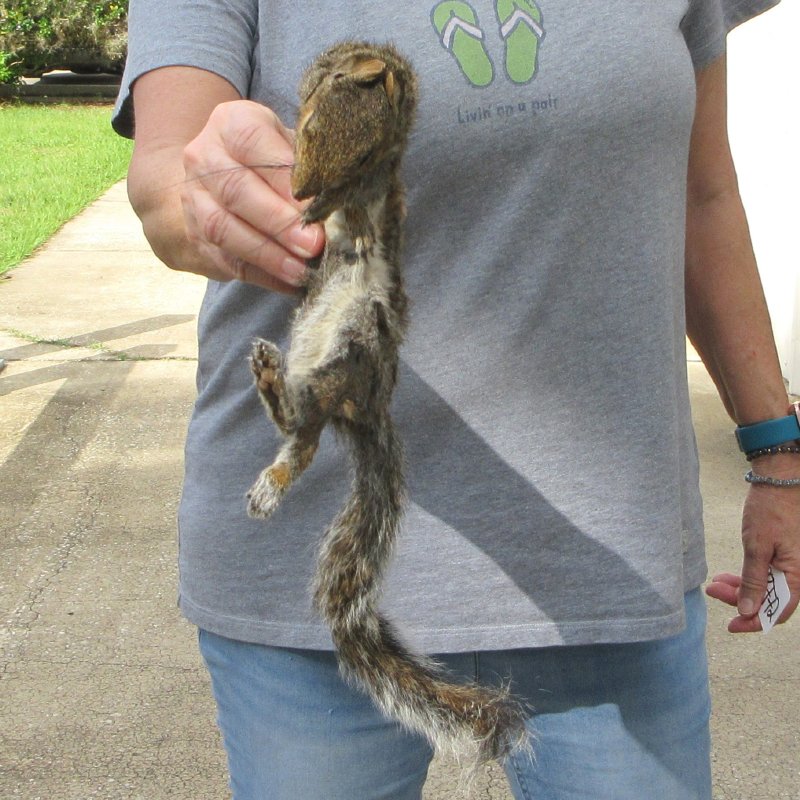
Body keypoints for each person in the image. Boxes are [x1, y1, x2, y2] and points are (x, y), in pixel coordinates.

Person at [114, 1, 799, 798]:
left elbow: (702, 196)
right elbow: (166, 176)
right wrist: (207, 192)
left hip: (606, 566)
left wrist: (777, 451)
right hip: (312, 589)